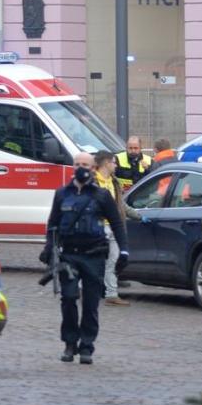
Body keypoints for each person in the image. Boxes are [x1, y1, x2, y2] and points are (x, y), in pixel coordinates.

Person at [40, 152, 129, 365]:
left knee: (90, 304)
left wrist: (124, 250)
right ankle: (70, 343)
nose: (81, 168)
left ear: (93, 168)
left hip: (94, 255)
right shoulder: (62, 194)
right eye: (77, 164)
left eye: (86, 165)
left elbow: (116, 222)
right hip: (69, 254)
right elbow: (53, 223)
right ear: (72, 167)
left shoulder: (101, 195)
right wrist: (49, 247)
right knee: (69, 298)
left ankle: (87, 346)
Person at [93, 151, 140, 307]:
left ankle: (111, 294)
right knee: (93, 261)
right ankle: (87, 289)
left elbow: (121, 205)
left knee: (114, 260)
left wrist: (137, 216)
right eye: (113, 162)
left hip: (114, 226)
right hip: (97, 227)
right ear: (106, 163)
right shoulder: (92, 182)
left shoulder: (114, 182)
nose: (116, 165)